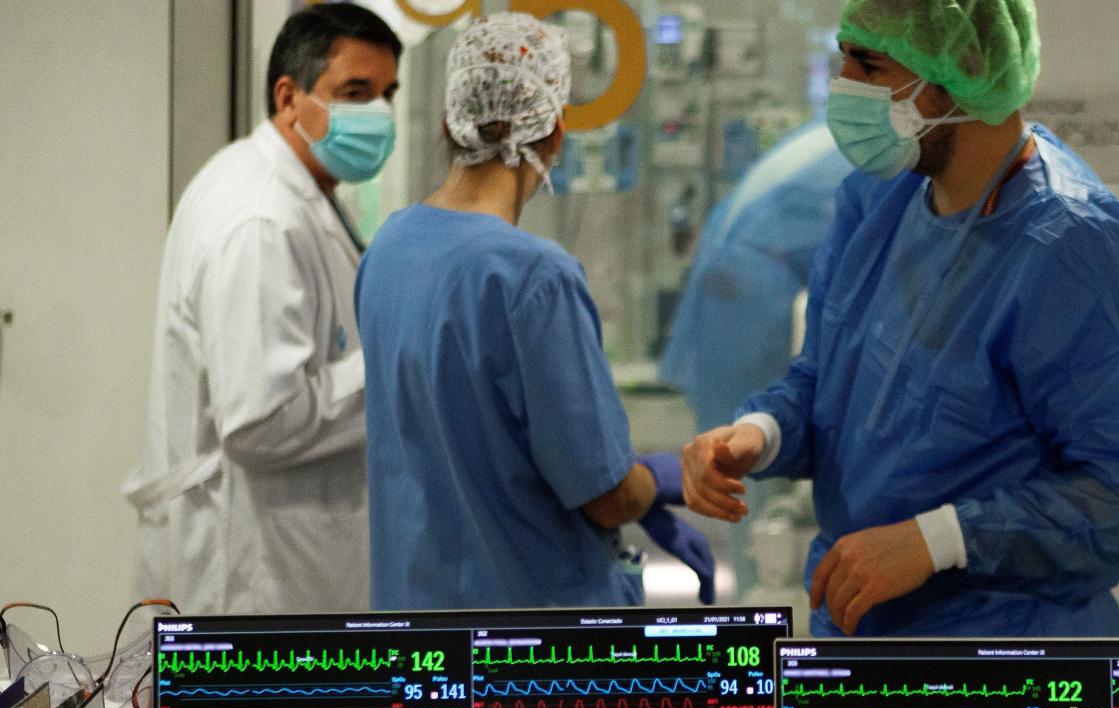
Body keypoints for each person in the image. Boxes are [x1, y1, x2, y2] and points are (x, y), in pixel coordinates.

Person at [681, 0, 1119, 638]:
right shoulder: (879, 201)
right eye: (844, 57)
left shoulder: (1069, 249)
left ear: (963, 69)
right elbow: (825, 380)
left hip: (1008, 667)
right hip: (862, 629)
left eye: (868, 64)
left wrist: (939, 541)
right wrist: (758, 435)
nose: (845, 86)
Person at [357, 13, 713, 611]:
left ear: (449, 124)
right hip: (530, 652)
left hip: (421, 626)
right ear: (554, 134)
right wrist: (655, 482)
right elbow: (602, 493)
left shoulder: (390, 249)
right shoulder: (534, 279)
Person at [126, 4, 402, 614]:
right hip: (254, 571)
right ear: (288, 96)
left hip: (287, 556)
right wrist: (394, 361)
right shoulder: (258, 218)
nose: (379, 115)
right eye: (356, 92)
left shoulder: (299, 194)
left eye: (386, 94)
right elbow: (260, 420)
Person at [658, 120, 852, 594]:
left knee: (745, 468)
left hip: (737, 292)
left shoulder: (833, 141)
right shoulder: (875, 160)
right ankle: (762, 608)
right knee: (748, 480)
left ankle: (758, 599)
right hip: (751, 300)